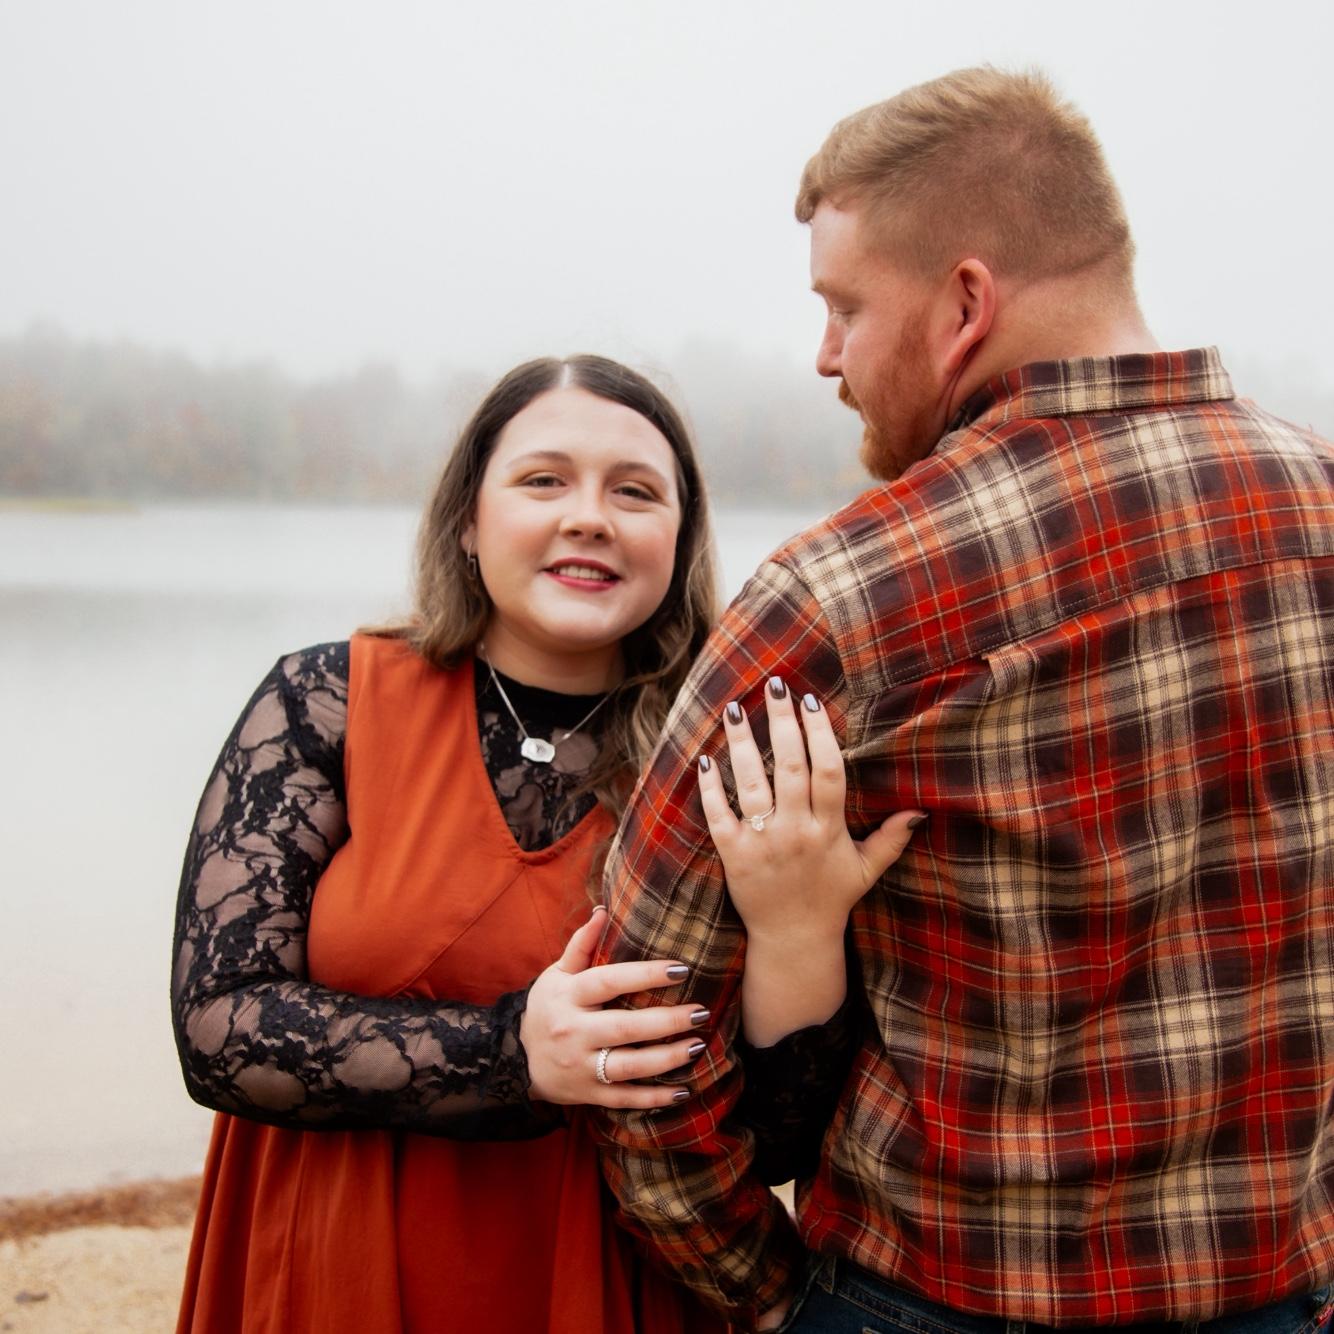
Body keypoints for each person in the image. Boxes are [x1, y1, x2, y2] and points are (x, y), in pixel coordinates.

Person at [593, 67, 1334, 1333]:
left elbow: (636, 1037)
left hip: (921, 1304)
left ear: (964, 304)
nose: (824, 355)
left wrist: (777, 1301)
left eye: (842, 307)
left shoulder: (840, 598)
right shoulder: (1320, 512)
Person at [170, 353, 917, 1333]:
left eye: (635, 492)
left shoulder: (732, 751)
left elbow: (776, 1142)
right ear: (467, 522)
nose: (590, 517)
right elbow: (217, 1030)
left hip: (611, 1284)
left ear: (680, 538)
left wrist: (798, 929)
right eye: (543, 480)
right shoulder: (325, 702)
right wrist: (511, 1054)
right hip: (341, 1270)